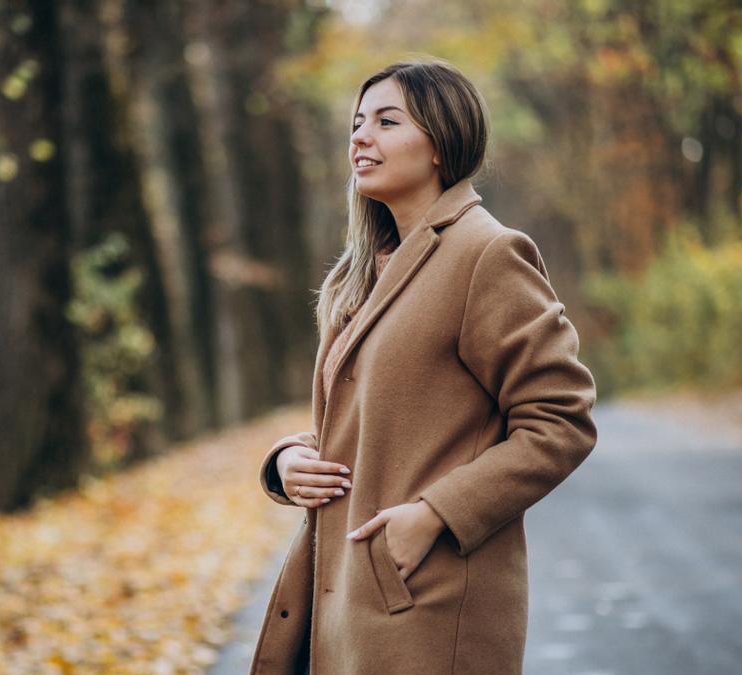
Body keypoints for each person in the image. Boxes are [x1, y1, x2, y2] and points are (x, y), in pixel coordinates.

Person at [249, 60, 599, 675]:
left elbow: (561, 421)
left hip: (429, 609)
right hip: (343, 608)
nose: (360, 137)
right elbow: (374, 424)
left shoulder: (487, 253)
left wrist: (437, 513)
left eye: (387, 121)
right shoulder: (362, 273)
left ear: (441, 143)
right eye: (358, 123)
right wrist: (286, 463)